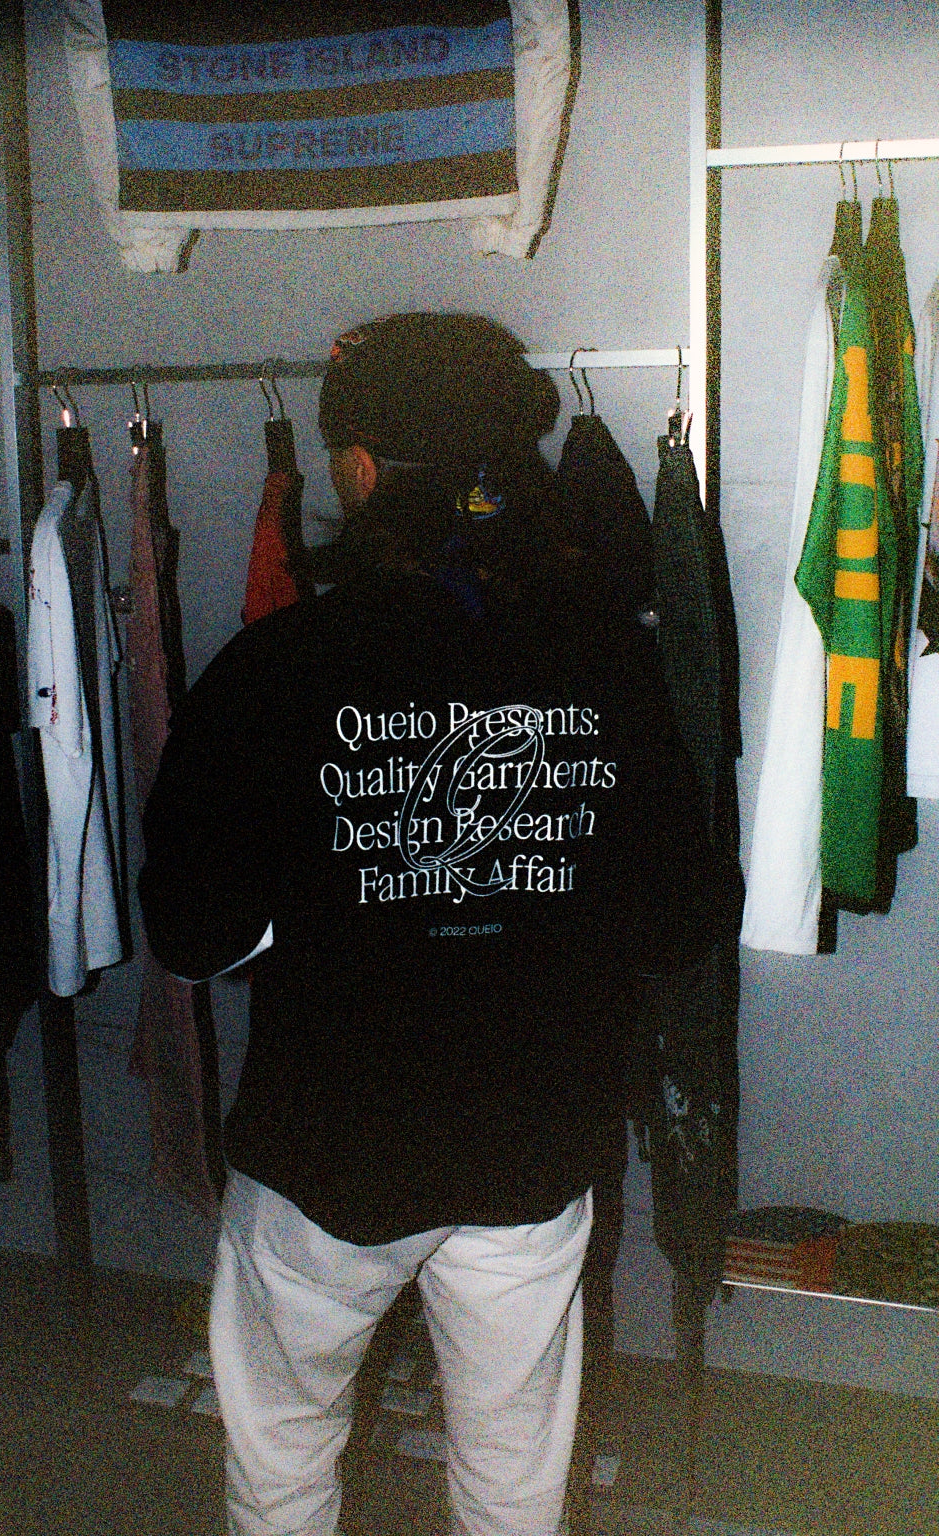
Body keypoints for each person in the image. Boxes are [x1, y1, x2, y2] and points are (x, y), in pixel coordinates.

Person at [138, 312, 715, 1536]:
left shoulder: (273, 666)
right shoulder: (610, 663)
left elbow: (192, 934)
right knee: (513, 1480)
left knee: (283, 1461)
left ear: (356, 472)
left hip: (327, 1151)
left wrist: (349, 908)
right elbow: (678, 923)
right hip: (532, 1146)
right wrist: (537, 889)